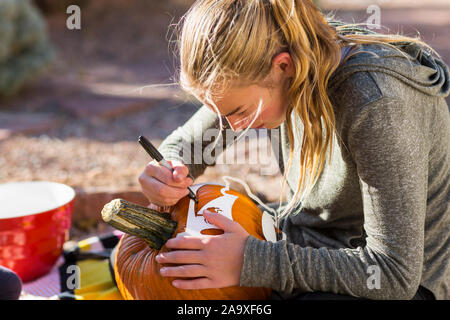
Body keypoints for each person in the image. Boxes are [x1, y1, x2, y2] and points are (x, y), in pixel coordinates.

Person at [138, 0, 449, 300]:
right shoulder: (277, 64)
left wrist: (251, 262)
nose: (229, 127)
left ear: (283, 66)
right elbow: (187, 143)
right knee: (154, 266)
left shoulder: (377, 105)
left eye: (238, 113)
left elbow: (393, 274)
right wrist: (169, 167)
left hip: (392, 284)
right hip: (308, 248)